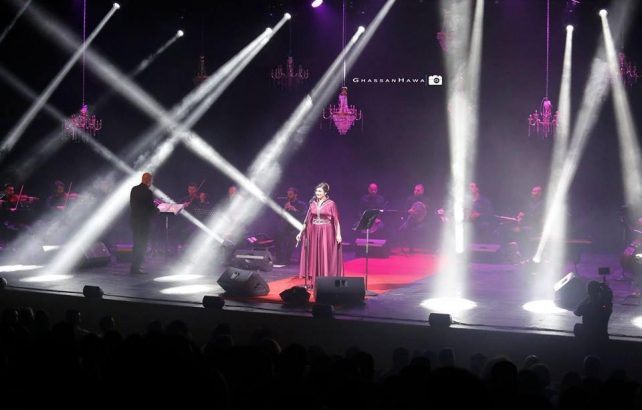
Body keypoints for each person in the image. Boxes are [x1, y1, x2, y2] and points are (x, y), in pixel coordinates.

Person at [296, 182, 343, 285]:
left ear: (325, 192)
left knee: (325, 254)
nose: (317, 193)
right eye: (316, 191)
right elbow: (307, 221)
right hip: (314, 231)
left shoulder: (331, 204)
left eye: (320, 191)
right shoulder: (312, 203)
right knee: (315, 255)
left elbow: (336, 220)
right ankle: (316, 281)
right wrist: (300, 233)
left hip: (327, 231)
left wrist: (338, 234)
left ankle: (326, 280)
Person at [129, 172, 159, 274]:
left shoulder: (134, 189)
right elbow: (150, 208)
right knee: (142, 245)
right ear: (149, 181)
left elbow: (134, 205)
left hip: (134, 221)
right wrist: (158, 209)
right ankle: (136, 268)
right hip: (143, 222)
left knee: (136, 244)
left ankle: (134, 267)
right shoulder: (148, 192)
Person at [574, 280, 613, 345]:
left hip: (588, 339)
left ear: (588, 292)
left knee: (577, 327)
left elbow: (576, 312)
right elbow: (609, 301)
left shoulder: (586, 307)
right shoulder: (605, 308)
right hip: (602, 338)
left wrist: (589, 297)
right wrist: (605, 292)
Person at [276, 187, 306, 265]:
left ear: (295, 195)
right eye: (288, 194)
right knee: (278, 235)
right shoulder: (286, 203)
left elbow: (304, 216)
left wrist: (294, 210)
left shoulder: (301, 204)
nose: (288, 196)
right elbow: (281, 216)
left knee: (291, 238)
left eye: (290, 194)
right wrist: (284, 209)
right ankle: (279, 258)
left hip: (298, 227)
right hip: (288, 226)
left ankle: (287, 259)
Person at [399, 183, 431, 253]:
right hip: (412, 220)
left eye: (418, 190)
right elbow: (405, 210)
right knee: (407, 227)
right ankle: (411, 248)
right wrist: (409, 211)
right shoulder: (410, 199)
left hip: (424, 221)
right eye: (415, 190)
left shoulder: (427, 200)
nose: (416, 191)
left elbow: (430, 212)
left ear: (422, 191)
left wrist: (425, 207)